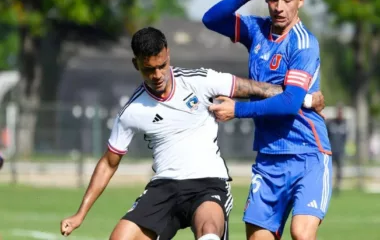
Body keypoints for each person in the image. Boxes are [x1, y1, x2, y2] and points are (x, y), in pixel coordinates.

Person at [60, 27, 325, 240]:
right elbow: (109, 163)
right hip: (163, 188)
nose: (157, 75)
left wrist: (304, 100)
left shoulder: (198, 80)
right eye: (148, 69)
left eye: (162, 65)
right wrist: (80, 213)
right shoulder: (132, 110)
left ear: (168, 54)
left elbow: (252, 88)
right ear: (136, 64)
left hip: (208, 184)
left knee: (209, 231)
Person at [202, 0, 332, 240]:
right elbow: (211, 19)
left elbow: (288, 104)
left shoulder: (303, 43)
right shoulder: (256, 31)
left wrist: (237, 109)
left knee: (301, 233)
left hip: (307, 155)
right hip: (268, 158)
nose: (279, 7)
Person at [326, 103, 347, 194]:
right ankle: (327, 185)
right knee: (329, 169)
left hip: (340, 151)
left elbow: (345, 138)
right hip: (330, 150)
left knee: (339, 170)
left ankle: (337, 186)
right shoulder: (330, 123)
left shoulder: (344, 124)